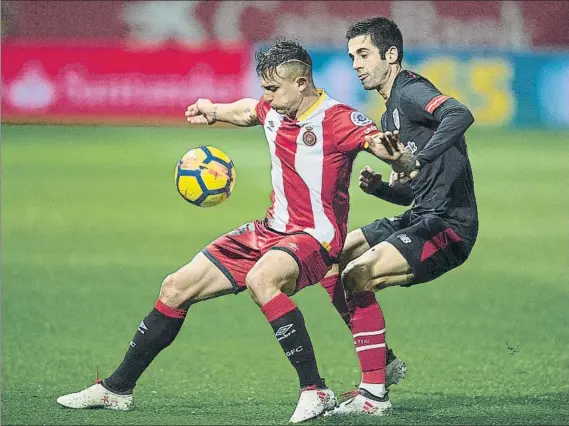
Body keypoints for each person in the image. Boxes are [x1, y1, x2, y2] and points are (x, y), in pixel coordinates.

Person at [56, 39, 402, 423]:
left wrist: (391, 152)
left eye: (273, 88)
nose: (266, 96)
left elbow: (375, 141)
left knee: (262, 280)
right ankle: (116, 390)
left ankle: (315, 389)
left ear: (302, 83)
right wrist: (213, 110)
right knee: (175, 287)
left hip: (316, 238)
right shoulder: (273, 109)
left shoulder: (337, 119)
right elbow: (247, 111)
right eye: (264, 88)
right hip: (269, 231)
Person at [324, 17, 478, 416]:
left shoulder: (410, 90)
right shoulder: (390, 111)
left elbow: (459, 114)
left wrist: (416, 157)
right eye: (351, 57)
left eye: (363, 54)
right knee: (327, 258)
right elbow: (418, 186)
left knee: (357, 275)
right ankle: (384, 362)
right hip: (421, 213)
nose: (356, 64)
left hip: (448, 225)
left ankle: (373, 396)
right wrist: (382, 190)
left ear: (390, 55)